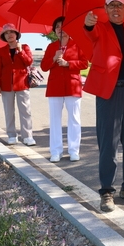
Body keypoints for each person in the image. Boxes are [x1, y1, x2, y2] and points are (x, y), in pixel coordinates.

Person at [83, 0, 124, 213]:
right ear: (106, 9)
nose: (116, 9)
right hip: (107, 94)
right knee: (108, 145)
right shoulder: (98, 28)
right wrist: (89, 23)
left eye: (120, 5)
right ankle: (106, 191)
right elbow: (89, 32)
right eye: (112, 5)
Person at [40, 16, 89, 163]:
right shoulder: (51, 47)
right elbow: (43, 67)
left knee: (74, 119)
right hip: (55, 86)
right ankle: (56, 151)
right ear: (54, 31)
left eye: (64, 26)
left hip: (72, 85)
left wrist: (69, 64)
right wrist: (54, 59)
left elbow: (84, 64)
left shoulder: (77, 45)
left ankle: (74, 150)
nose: (61, 29)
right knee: (55, 120)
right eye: (58, 27)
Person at [0, 23, 36, 146]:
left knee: (25, 110)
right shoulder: (1, 51)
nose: (9, 35)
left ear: (16, 34)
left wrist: (20, 50)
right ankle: (12, 135)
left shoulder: (25, 47)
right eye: (6, 33)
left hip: (22, 83)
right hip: (6, 84)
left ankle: (27, 136)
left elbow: (29, 62)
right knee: (8, 111)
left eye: (11, 32)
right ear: (4, 37)